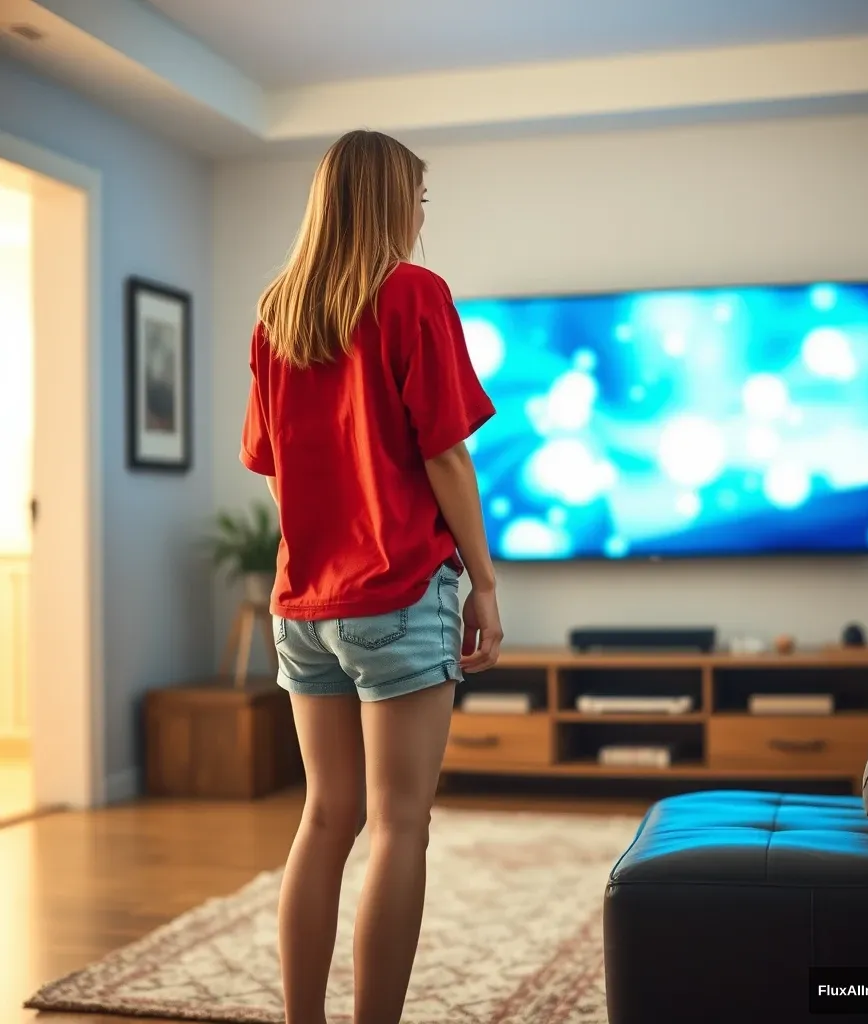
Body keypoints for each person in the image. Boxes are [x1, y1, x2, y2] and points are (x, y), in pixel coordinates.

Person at [238, 129, 503, 1024]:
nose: (421, 218)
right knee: (399, 824)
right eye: (417, 200)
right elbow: (448, 459)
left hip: (304, 605)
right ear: (389, 201)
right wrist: (487, 584)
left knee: (326, 817)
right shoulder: (412, 294)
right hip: (396, 594)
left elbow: (274, 469)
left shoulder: (278, 310)